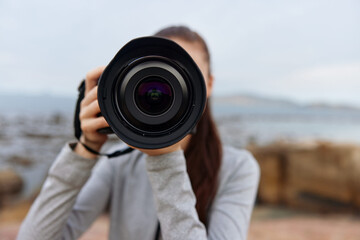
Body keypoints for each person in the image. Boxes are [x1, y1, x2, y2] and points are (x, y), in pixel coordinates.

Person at [17, 26, 260, 240]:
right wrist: (86, 149)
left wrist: (165, 162)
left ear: (207, 84)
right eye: (159, 71)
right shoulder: (119, 164)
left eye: (184, 72)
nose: (167, 88)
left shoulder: (237, 168)